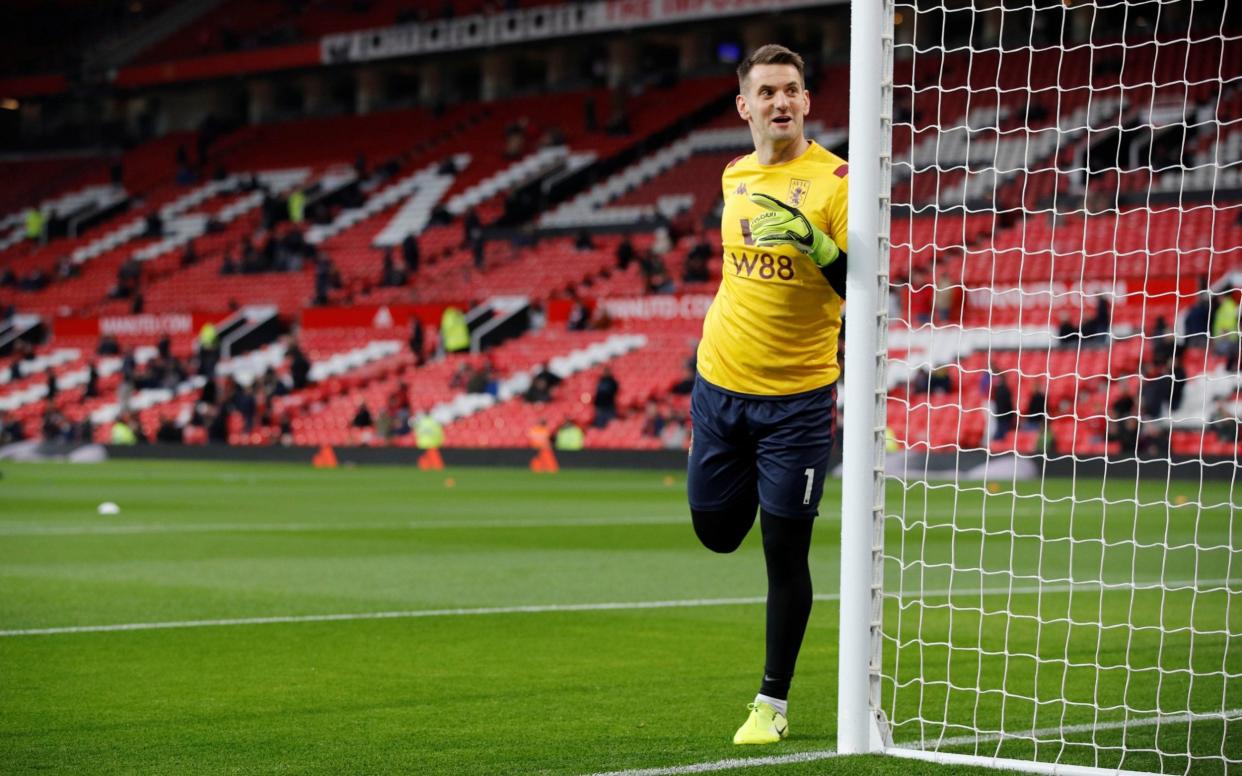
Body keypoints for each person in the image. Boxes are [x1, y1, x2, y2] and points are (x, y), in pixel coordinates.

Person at [687, 44, 849, 746]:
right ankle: (759, 478)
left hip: (797, 402)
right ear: (744, 105)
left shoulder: (840, 183)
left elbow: (866, 295)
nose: (781, 101)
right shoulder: (734, 175)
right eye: (767, 91)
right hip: (719, 384)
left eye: (792, 89)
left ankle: (771, 705)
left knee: (785, 552)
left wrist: (820, 246)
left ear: (807, 102)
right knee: (716, 533)